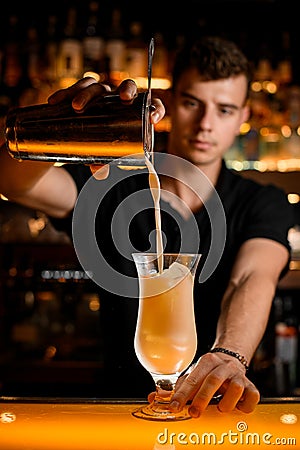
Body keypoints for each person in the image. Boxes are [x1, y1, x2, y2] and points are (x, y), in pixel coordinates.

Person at [0, 36, 294, 417]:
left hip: (219, 408)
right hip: (116, 405)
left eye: (224, 109)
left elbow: (253, 276)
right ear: (170, 103)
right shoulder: (110, 182)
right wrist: (69, 122)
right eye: (192, 103)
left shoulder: (260, 201)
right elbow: (11, 183)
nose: (206, 124)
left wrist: (228, 354)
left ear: (243, 117)